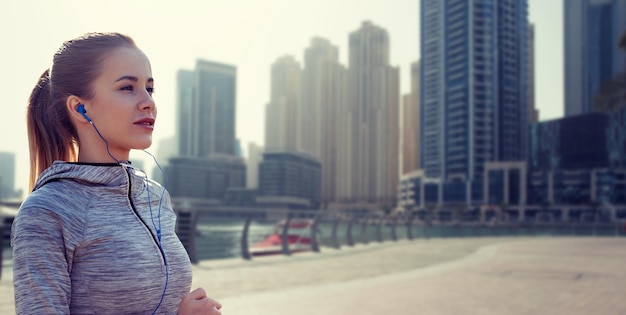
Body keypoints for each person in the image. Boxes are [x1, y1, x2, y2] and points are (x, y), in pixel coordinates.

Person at [10, 32, 222, 314]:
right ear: (80, 108)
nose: (148, 102)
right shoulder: (47, 211)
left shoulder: (156, 197)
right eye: (127, 88)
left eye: (150, 88)